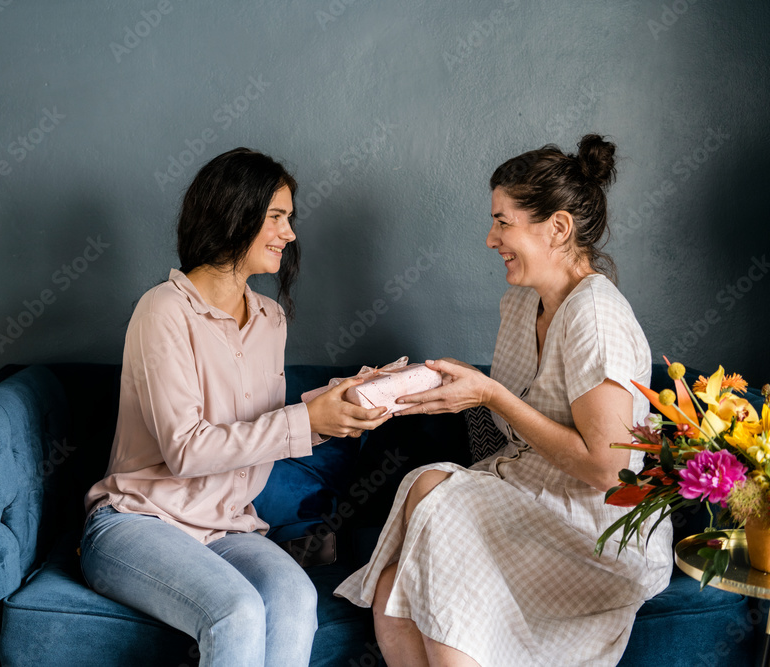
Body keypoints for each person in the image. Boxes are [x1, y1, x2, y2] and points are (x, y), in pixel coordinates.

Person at [334, 135, 672, 667]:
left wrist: (489, 393)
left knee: (430, 488)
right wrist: (447, 389)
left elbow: (608, 470)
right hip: (527, 493)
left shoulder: (595, 317)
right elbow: (506, 437)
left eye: (503, 222)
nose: (491, 239)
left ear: (558, 228)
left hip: (598, 528)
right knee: (394, 591)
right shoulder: (519, 304)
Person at [81, 147, 391, 667]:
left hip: (227, 527)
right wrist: (303, 421)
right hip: (138, 522)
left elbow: (258, 427)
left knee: (295, 600)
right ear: (233, 213)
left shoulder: (270, 317)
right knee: (238, 610)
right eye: (276, 217)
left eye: (289, 219)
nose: (289, 234)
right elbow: (186, 451)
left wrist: (334, 408)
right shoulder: (164, 310)